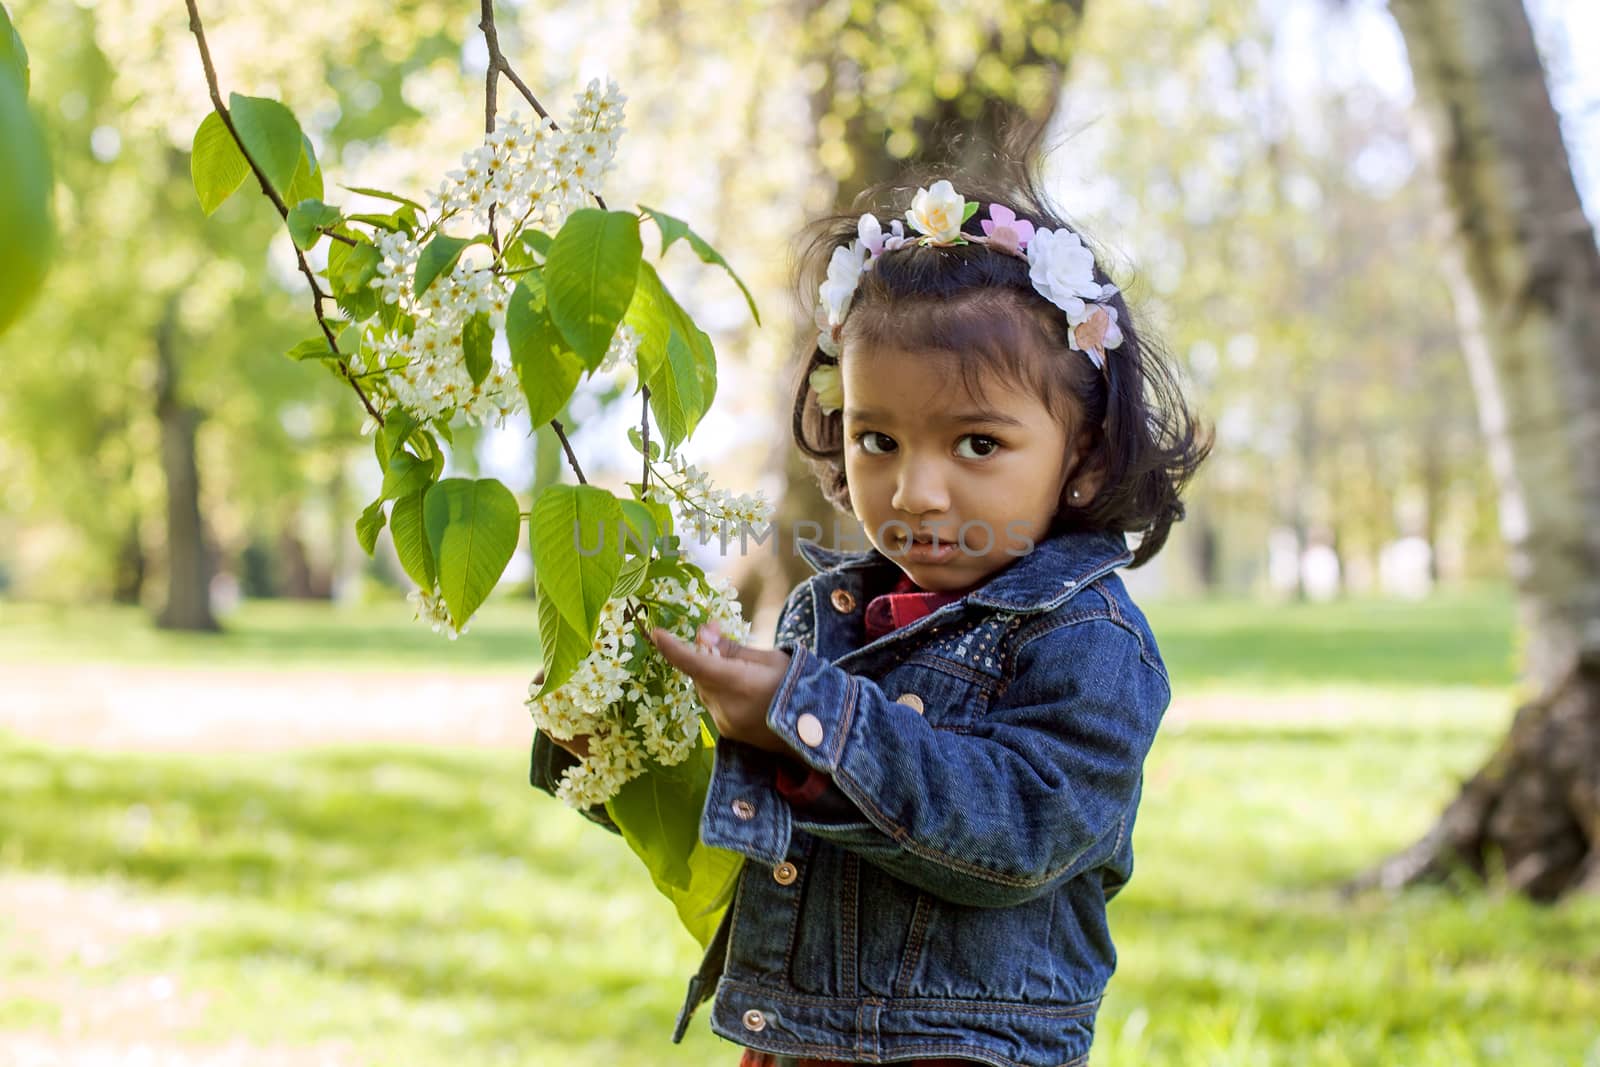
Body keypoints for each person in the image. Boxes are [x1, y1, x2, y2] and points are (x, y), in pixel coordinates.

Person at [530, 151, 1209, 1066]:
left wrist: (811, 720)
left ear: (1082, 455)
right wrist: (627, 753)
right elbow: (767, 846)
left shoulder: (1087, 637)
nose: (916, 489)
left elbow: (1018, 832)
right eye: (877, 438)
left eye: (977, 442)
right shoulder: (830, 612)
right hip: (801, 1044)